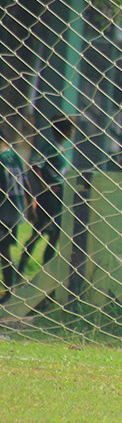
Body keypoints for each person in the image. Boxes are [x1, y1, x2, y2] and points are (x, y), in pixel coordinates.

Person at [18, 115, 75, 276]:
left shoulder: (61, 148)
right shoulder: (49, 146)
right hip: (49, 197)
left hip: (59, 197)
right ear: (63, 130)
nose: (73, 132)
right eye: (72, 129)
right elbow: (36, 166)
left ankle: (46, 273)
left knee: (56, 235)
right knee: (39, 233)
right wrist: (45, 187)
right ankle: (20, 269)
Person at [0, 125, 26, 303]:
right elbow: (24, 180)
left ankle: (10, 290)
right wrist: (29, 206)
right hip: (14, 208)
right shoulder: (13, 155)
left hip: (3, 210)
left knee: (4, 251)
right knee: (5, 250)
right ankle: (11, 289)